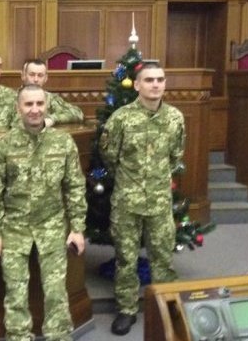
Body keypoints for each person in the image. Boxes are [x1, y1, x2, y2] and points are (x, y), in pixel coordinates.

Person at [0, 84, 87, 341]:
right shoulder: (3, 146)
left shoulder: (63, 142)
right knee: (15, 291)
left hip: (51, 224)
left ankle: (58, 335)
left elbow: (75, 186)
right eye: (28, 104)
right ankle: (18, 335)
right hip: (14, 226)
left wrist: (77, 228)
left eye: (39, 104)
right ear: (18, 108)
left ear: (46, 106)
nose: (34, 110)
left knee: (56, 290)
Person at [99, 63, 185, 336]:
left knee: (162, 256)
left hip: (159, 202)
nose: (156, 85)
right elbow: (109, 157)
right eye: (149, 80)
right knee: (126, 258)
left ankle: (166, 304)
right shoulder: (121, 118)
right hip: (127, 202)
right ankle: (126, 309)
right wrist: (131, 182)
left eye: (160, 79)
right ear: (137, 85)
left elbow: (176, 157)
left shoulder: (175, 118)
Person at [21, 58, 84, 126]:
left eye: (40, 75)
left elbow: (78, 113)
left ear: (46, 78)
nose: (36, 79)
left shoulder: (51, 98)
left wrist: (52, 119)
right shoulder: (11, 98)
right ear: (23, 76)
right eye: (32, 75)